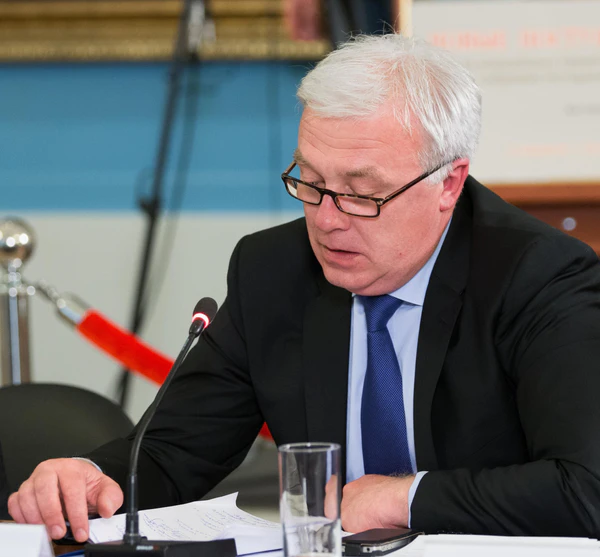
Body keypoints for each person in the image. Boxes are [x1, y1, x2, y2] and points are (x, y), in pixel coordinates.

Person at [9, 34, 600, 542]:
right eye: (310, 182)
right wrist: (93, 479)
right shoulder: (273, 269)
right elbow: (173, 453)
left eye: (361, 194)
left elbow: (587, 488)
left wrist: (403, 499)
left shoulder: (539, 278)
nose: (327, 220)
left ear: (449, 183)